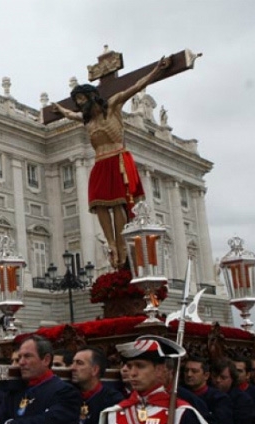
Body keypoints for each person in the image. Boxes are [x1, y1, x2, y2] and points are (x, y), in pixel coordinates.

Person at [51, 57, 168, 268]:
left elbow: (136, 86)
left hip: (117, 159)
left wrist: (156, 71)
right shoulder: (87, 120)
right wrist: (60, 110)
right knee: (98, 203)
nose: (79, 104)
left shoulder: (113, 106)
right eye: (77, 101)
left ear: (91, 97)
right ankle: (112, 243)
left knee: (117, 204)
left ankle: (122, 244)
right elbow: (70, 115)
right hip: (100, 163)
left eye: (81, 99)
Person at [94, 335, 229, 424]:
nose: (132, 373)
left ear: (160, 369)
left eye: (140, 366)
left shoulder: (181, 414)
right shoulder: (115, 414)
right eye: (129, 366)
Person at [182, 356, 234, 424]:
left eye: (194, 371)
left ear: (206, 375)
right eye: (186, 371)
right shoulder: (179, 395)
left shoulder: (220, 399)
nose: (189, 374)